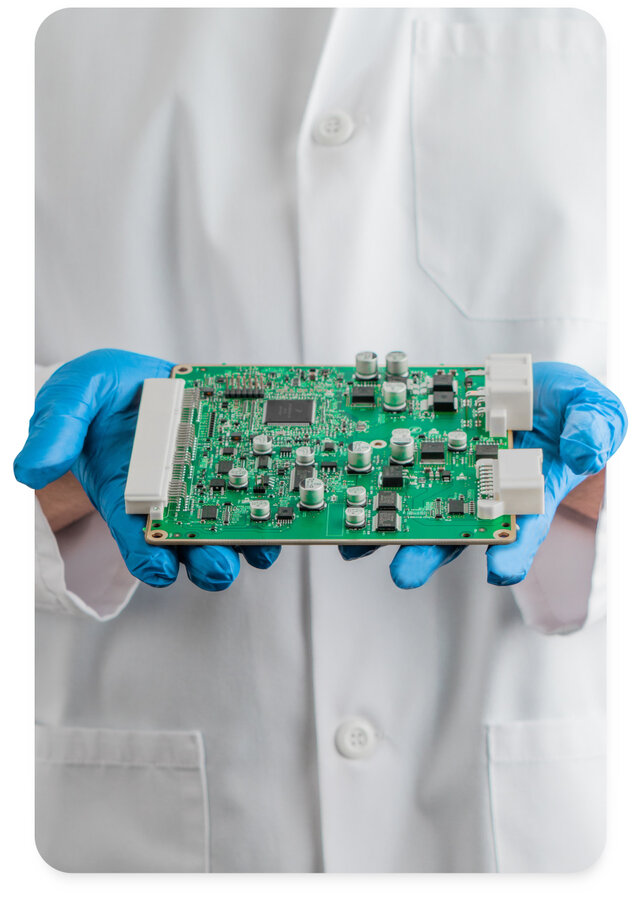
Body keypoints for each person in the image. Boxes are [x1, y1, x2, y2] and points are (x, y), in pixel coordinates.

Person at [17, 8, 626, 872]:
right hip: (137, 814)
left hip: (537, 801)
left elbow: (595, 466)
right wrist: (60, 492)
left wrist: (592, 497)